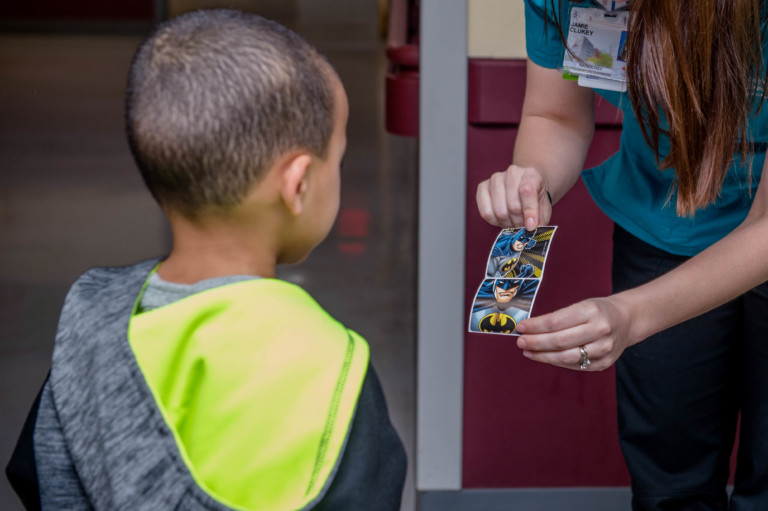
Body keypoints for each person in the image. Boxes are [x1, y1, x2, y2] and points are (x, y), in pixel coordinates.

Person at [5, 9, 406, 511]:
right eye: (337, 160)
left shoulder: (91, 318)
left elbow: (35, 474)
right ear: (297, 184)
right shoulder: (332, 368)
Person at [476, 1, 768, 509]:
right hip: (659, 228)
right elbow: (555, 115)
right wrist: (533, 180)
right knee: (669, 480)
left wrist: (630, 316)